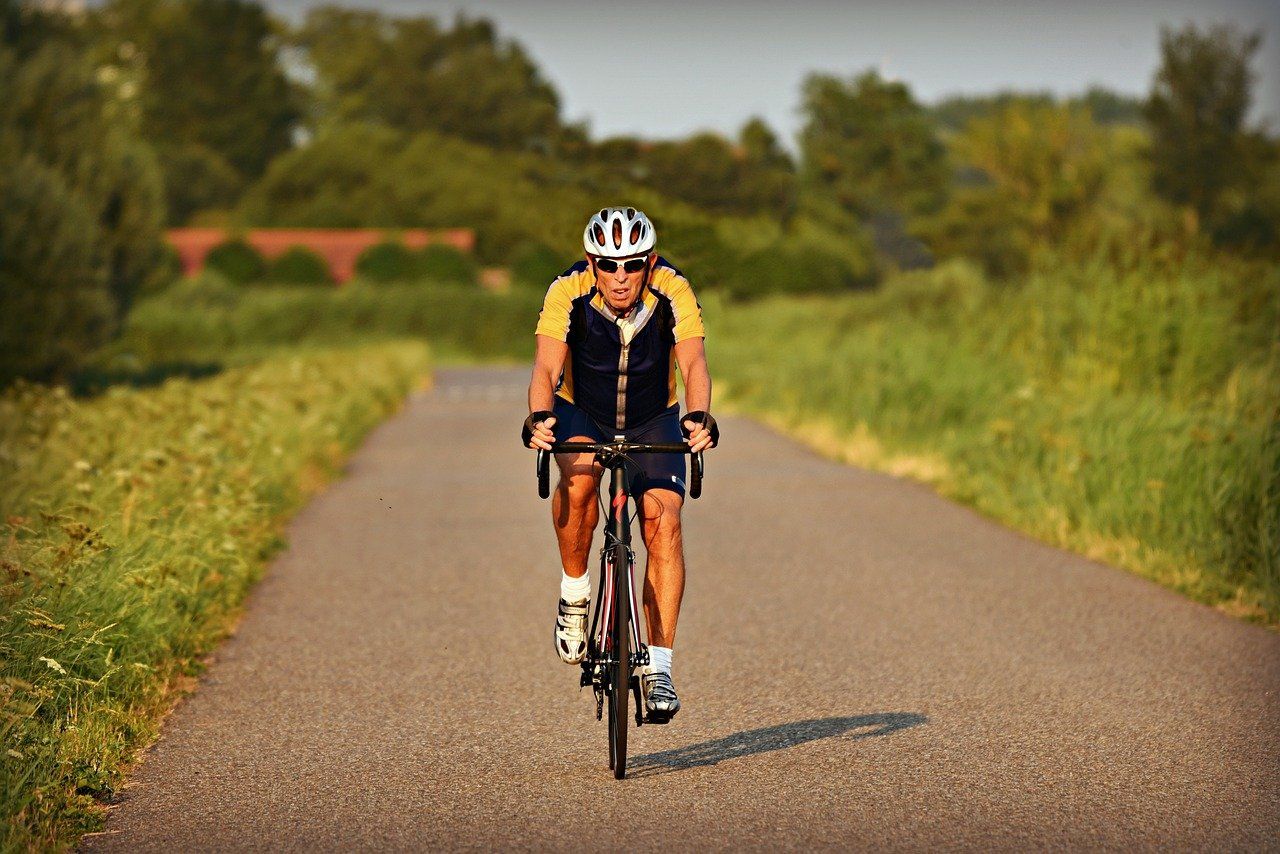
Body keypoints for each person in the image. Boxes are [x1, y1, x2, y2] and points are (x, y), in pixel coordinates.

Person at [522, 207, 718, 723]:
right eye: (608, 265)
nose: (621, 277)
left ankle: (658, 668)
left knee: (664, 522)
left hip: (653, 417)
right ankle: (574, 591)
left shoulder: (673, 289)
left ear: (649, 261)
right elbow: (545, 366)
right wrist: (539, 416)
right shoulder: (567, 290)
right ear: (592, 262)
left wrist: (698, 416)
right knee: (581, 475)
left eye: (632, 264)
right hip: (582, 410)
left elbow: (694, 362)